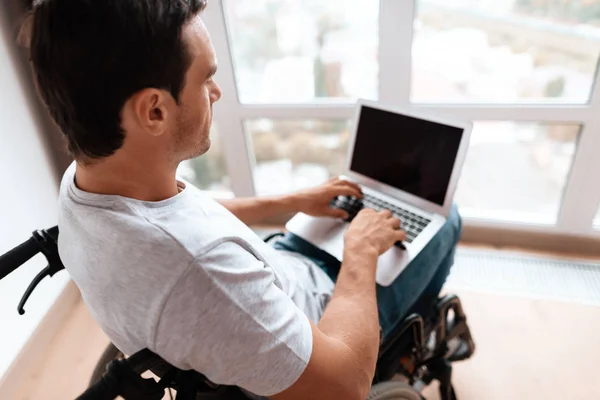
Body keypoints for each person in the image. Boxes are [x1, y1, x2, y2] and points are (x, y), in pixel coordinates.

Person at [26, 1, 461, 399]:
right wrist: (361, 253)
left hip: (267, 279)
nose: (215, 93)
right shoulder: (198, 271)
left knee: (351, 220)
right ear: (154, 110)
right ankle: (406, 350)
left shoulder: (85, 186)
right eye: (206, 78)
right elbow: (344, 385)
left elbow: (184, 223)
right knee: (447, 218)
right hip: (319, 320)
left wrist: (291, 200)